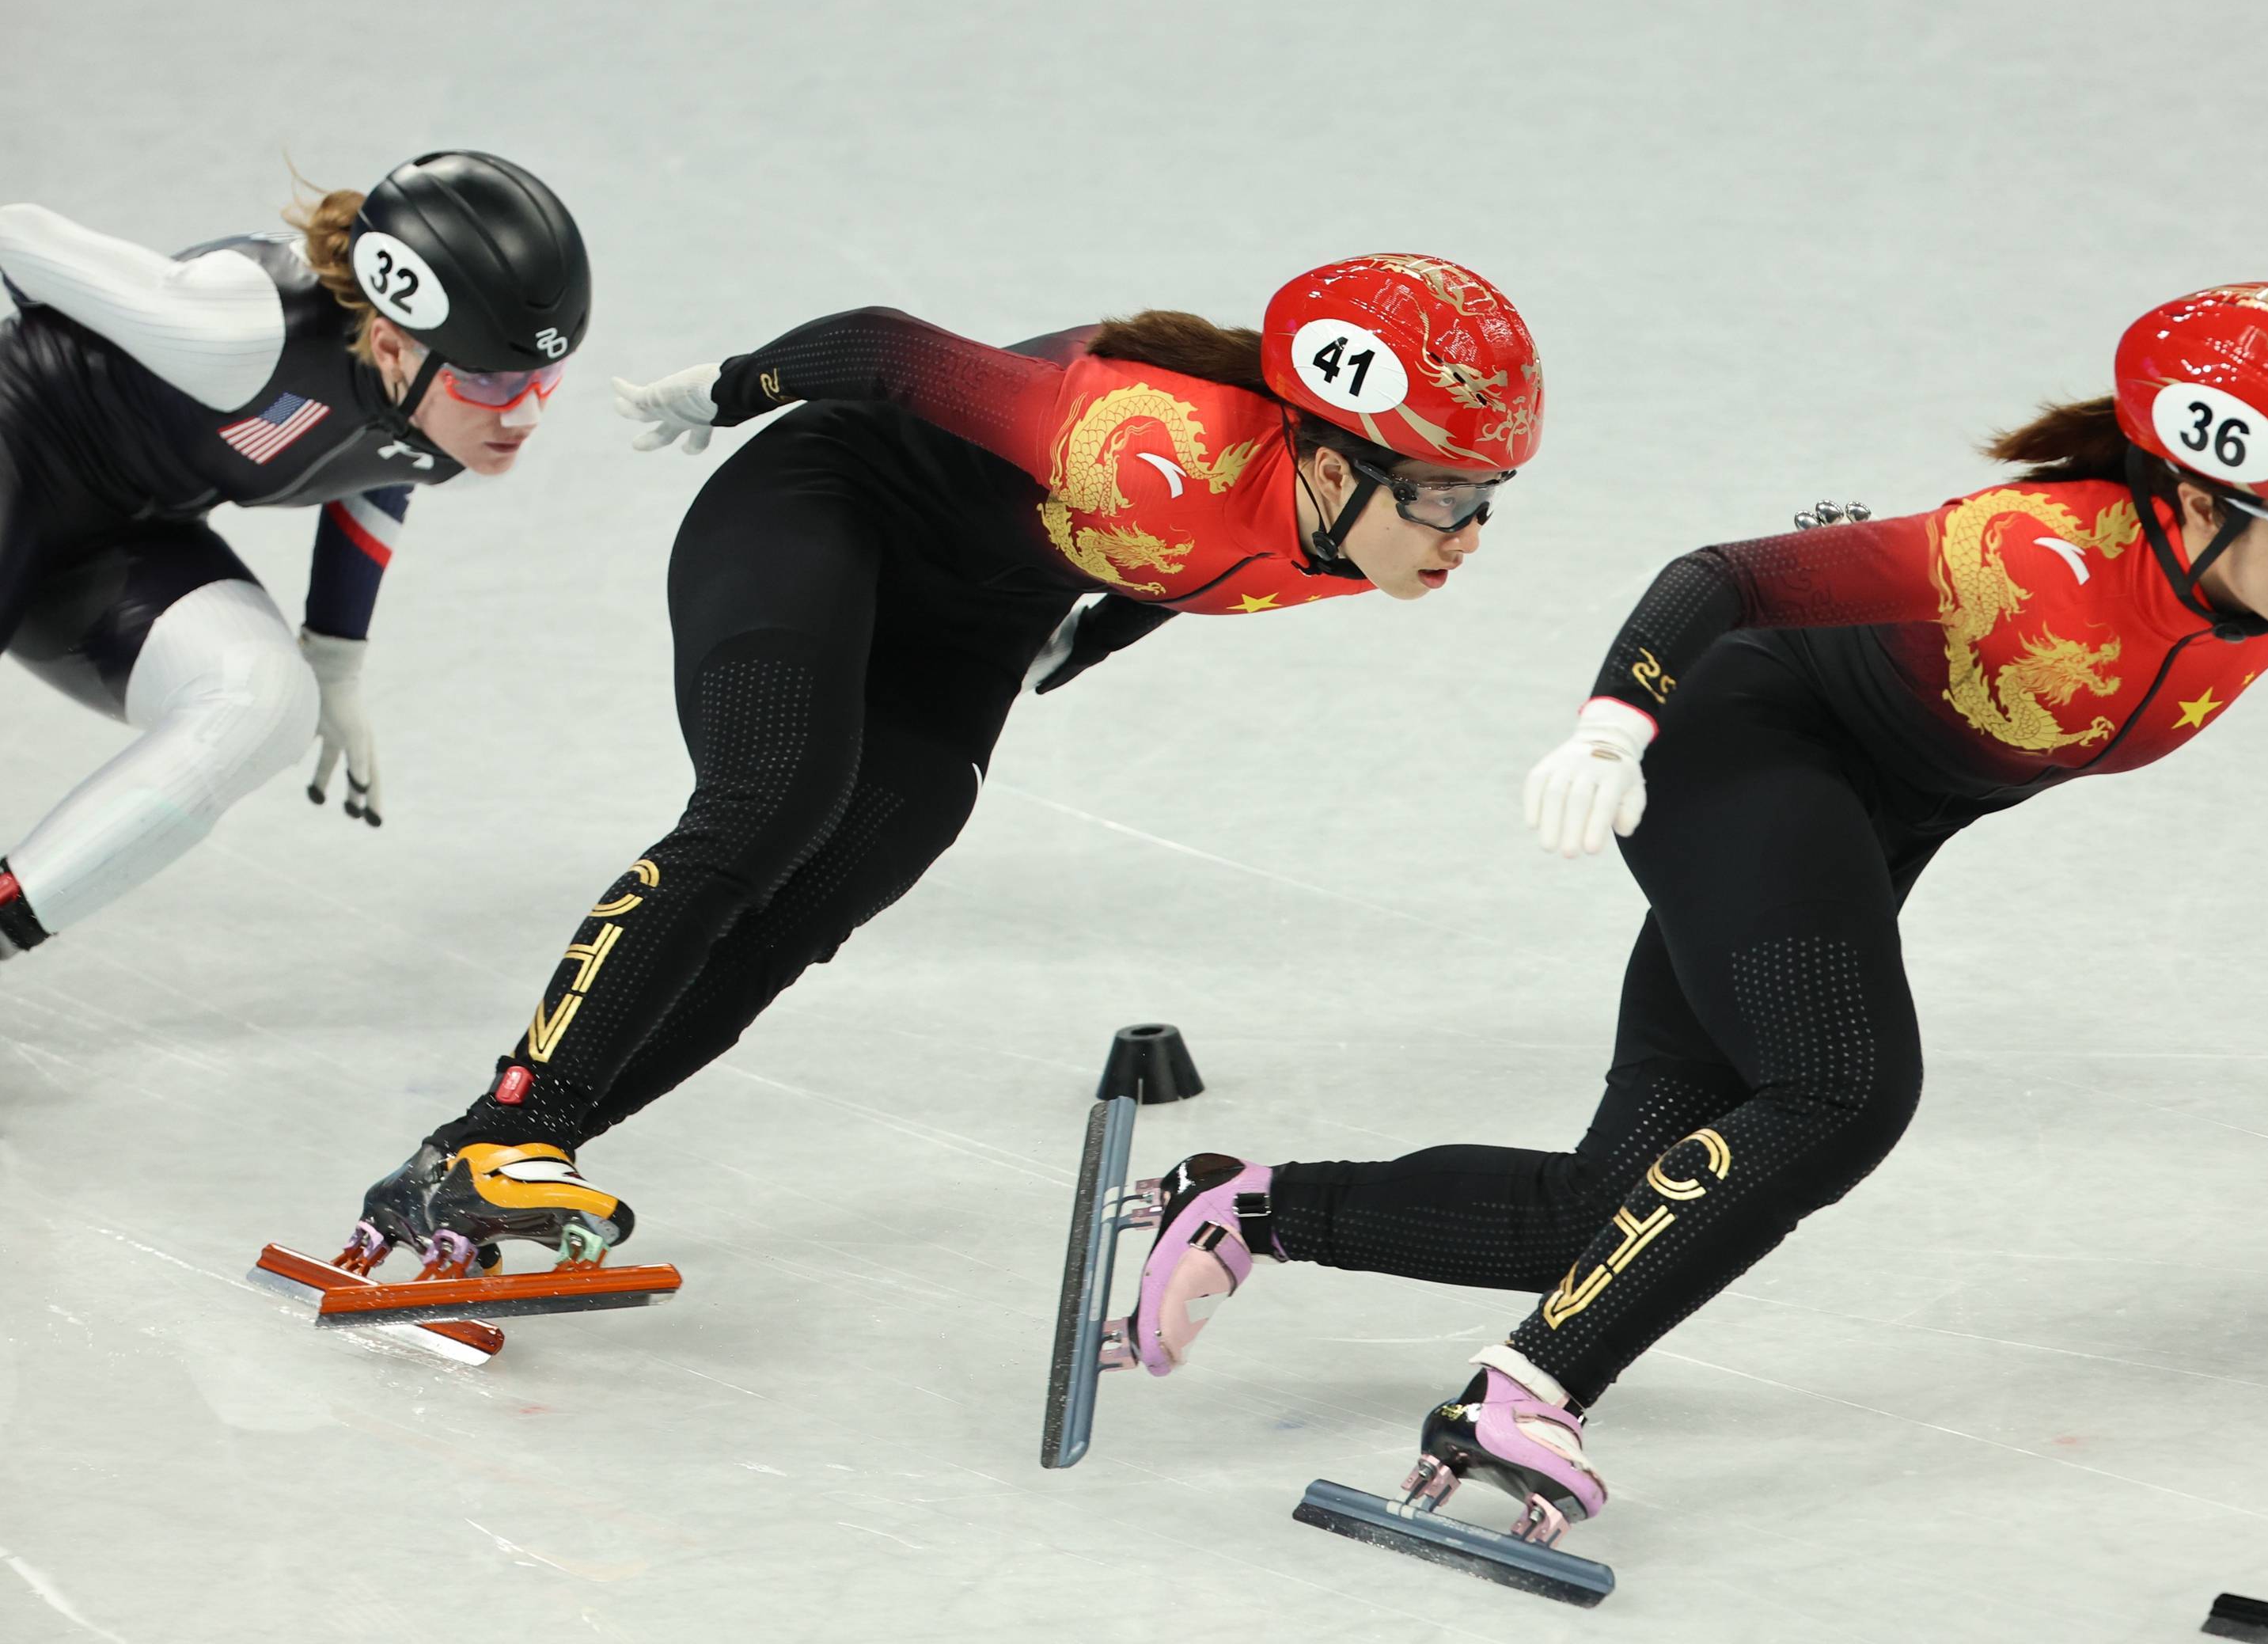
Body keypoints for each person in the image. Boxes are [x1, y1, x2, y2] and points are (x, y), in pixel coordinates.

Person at [1111, 283, 2268, 1555]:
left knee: (1603, 1215)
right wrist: (1613, 730)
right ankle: (1522, 1397)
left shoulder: (2261, 591)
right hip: (1746, 751)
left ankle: (1243, 1209)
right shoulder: (2037, 551)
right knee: (1843, 1087)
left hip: (1865, 822)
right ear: (2194, 496)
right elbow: (1724, 574)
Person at [332, 256, 1546, 1285]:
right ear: (1333, 465)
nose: (1471, 536)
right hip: (824, 506)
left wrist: (1097, 630)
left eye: (1489, 498)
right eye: (1446, 497)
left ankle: (481, 1160)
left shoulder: (1358, 540)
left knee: (846, 875)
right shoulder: (1138, 436)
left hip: (981, 610)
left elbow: (1209, 566)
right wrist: (728, 388)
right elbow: (889, 348)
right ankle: (517, 1127)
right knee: (774, 800)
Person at [0, 151, 588, 959]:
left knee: (266, 703)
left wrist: (336, 659)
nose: (523, 415)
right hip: (17, 438)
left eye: (544, 375)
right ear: (390, 345)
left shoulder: (450, 419)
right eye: (489, 382)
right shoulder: (241, 326)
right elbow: (21, 235)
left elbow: (381, 467)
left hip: (122, 540)